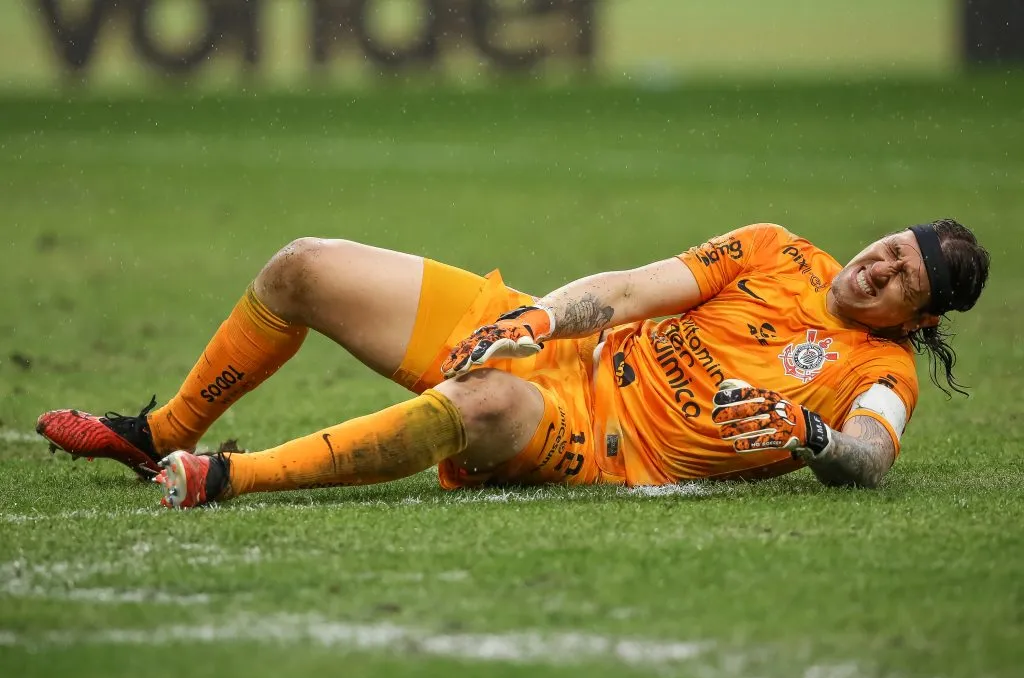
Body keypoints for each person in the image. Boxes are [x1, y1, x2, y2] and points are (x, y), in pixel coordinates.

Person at [36, 220, 990, 508]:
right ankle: (158, 434)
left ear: (923, 312)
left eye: (904, 273)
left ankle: (224, 479)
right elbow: (629, 286)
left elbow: (867, 454)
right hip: (569, 347)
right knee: (299, 266)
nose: (880, 263)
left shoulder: (883, 375)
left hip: (602, 439)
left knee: (484, 405)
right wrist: (532, 318)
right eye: (890, 244)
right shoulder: (777, 249)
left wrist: (812, 435)